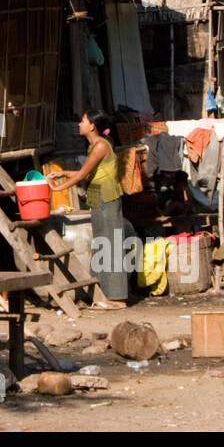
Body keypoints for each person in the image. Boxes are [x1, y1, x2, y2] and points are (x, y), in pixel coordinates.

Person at [48, 110, 132, 310]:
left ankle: (118, 298)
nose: (79, 124)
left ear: (92, 126)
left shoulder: (101, 146)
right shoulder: (94, 146)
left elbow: (82, 174)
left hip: (108, 197)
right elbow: (84, 172)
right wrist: (61, 174)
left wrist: (57, 187)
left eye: (83, 121)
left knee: (111, 244)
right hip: (97, 198)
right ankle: (105, 294)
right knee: (101, 244)